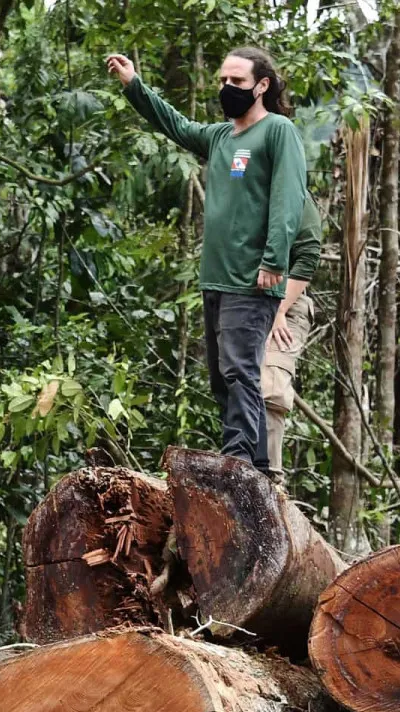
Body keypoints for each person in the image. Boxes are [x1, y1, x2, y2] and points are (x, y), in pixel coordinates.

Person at [105, 47, 308, 474]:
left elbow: (289, 199)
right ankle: (254, 468)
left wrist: (274, 260)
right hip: (216, 277)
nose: (227, 88)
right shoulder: (220, 137)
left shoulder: (277, 131)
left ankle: (239, 465)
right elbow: (175, 124)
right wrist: (134, 85)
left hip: (252, 279)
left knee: (240, 372)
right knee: (222, 378)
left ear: (262, 85)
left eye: (237, 81)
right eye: (223, 81)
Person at [263, 200, 322, 481]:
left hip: (287, 302)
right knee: (238, 383)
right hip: (247, 299)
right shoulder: (248, 189)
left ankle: (269, 478)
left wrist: (280, 309)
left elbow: (308, 255)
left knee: (271, 388)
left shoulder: (295, 193)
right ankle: (239, 471)